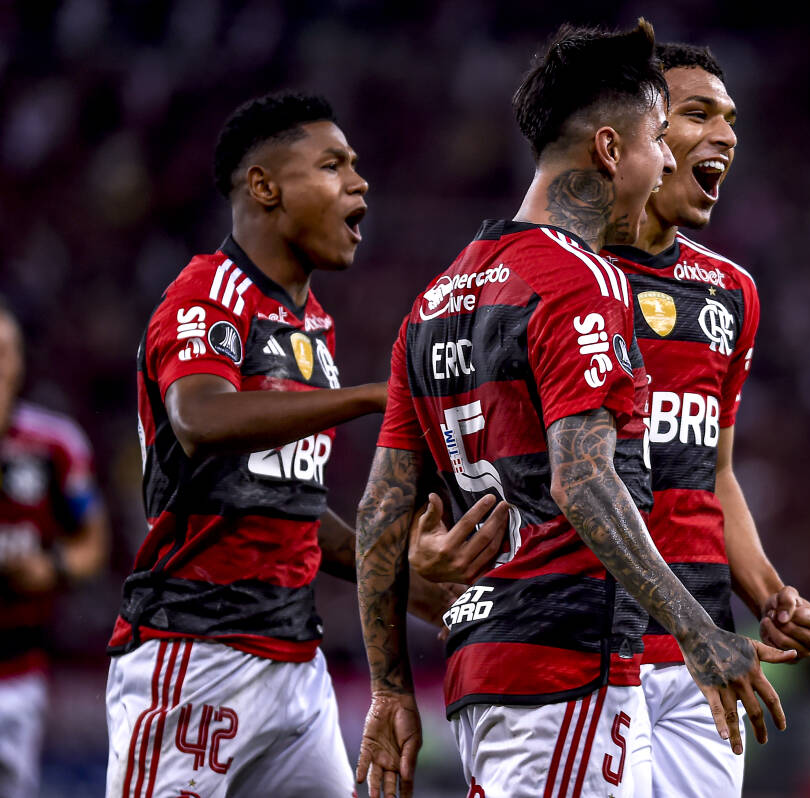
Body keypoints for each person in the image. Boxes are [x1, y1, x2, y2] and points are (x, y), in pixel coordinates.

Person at [356, 20, 796, 798]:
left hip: (488, 669)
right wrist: (700, 633)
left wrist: (391, 689)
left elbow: (380, 513)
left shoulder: (433, 299)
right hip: (566, 668)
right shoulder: (580, 280)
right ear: (608, 150)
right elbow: (584, 484)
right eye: (659, 138)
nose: (665, 159)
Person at [102, 91, 501, 798]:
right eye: (332, 165)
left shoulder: (313, 326)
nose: (360, 181)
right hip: (193, 653)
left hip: (295, 662)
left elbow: (290, 511)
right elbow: (201, 418)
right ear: (265, 187)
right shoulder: (208, 292)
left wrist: (408, 584)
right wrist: (378, 396)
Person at [600, 43, 810, 797]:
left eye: (731, 119)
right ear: (632, 134)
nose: (725, 135)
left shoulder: (730, 292)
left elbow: (713, 472)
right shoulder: (562, 279)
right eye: (697, 113)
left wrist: (768, 594)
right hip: (594, 641)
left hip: (706, 649)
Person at [0, 300, 109, 798]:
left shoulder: (54, 445)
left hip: (18, 673)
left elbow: (93, 541)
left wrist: (52, 566)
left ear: (20, 361)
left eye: (4, 352)